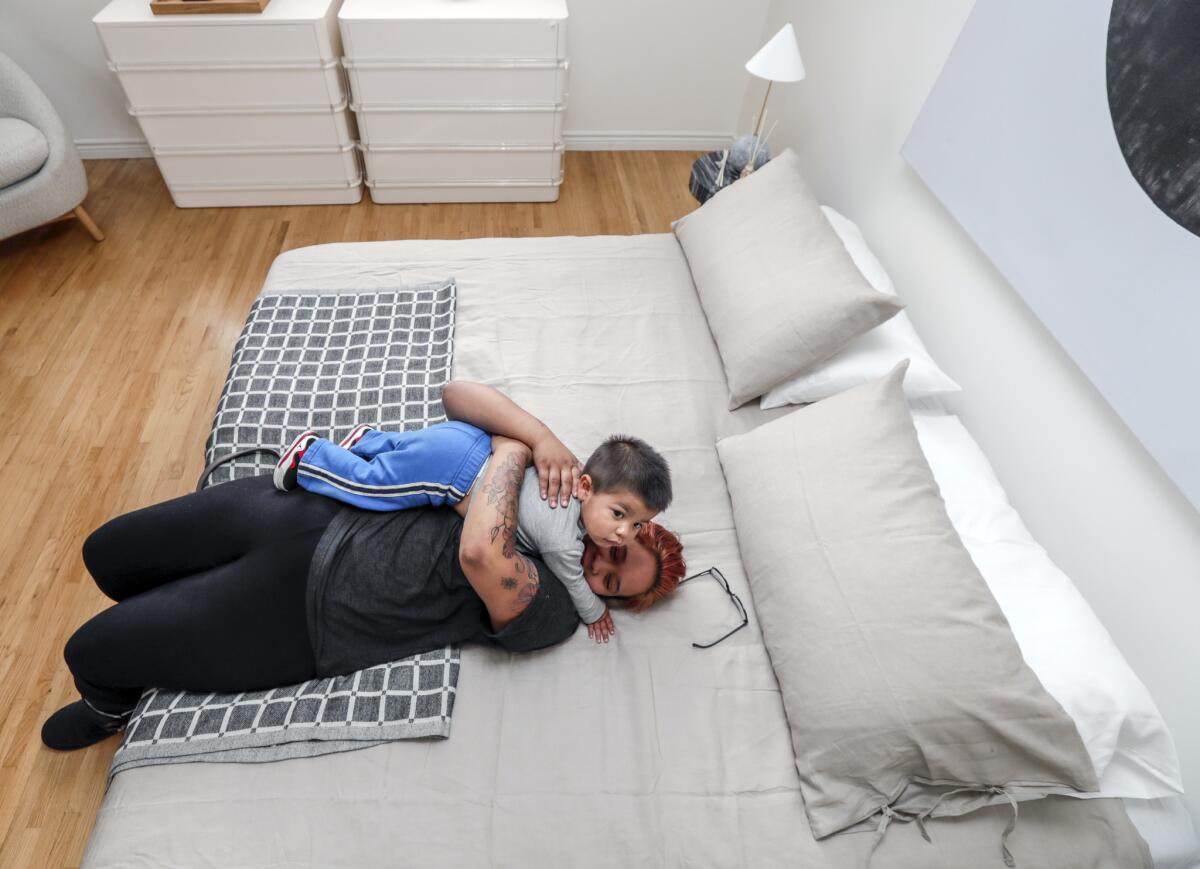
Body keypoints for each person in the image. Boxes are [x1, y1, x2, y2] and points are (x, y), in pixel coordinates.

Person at [41, 391, 686, 752]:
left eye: (609, 579)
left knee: (91, 651)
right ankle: (162, 604)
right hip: (308, 508)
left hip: (309, 608)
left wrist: (510, 450)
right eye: (621, 535)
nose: (604, 553)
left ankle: (110, 707)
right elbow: (458, 395)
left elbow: (481, 555)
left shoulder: (552, 613)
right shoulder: (556, 484)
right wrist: (540, 435)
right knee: (107, 553)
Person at [271, 381, 674, 644]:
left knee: (391, 468)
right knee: (370, 487)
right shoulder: (564, 527)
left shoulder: (556, 598)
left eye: (608, 581)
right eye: (621, 519)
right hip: (454, 473)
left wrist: (518, 446)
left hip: (468, 446)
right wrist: (596, 610)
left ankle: (370, 439)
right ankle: (312, 457)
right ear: (587, 487)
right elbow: (455, 393)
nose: (618, 537)